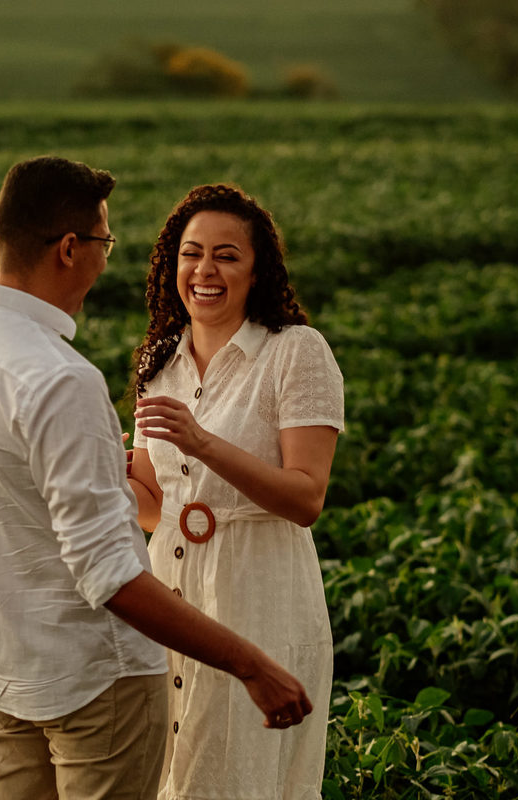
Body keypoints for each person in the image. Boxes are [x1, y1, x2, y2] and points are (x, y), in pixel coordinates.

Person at [0, 157, 314, 800]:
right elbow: (111, 574)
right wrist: (250, 663)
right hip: (96, 680)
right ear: (70, 249)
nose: (106, 259)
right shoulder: (62, 378)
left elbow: (3, 500)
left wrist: (106, 480)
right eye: (104, 241)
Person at [127, 184, 344, 800]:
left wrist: (202, 443)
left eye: (226, 256)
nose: (205, 270)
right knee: (165, 776)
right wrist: (101, 473)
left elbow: (306, 498)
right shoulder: (158, 361)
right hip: (168, 595)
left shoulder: (295, 352)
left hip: (259, 594)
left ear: (256, 271)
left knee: (240, 777)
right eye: (191, 254)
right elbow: (156, 507)